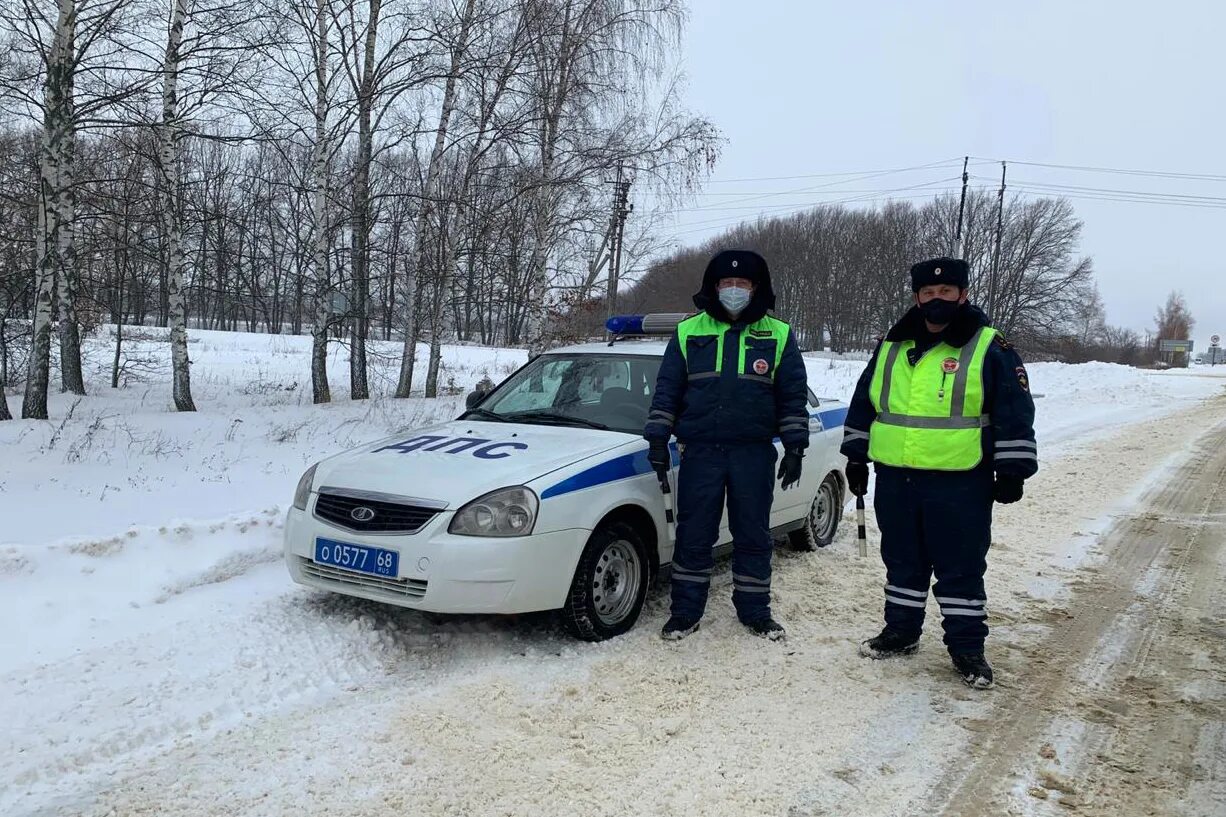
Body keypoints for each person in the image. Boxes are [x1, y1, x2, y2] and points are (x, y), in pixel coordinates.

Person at [840, 257, 1037, 689]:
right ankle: (902, 631)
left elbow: (1014, 409)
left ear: (963, 295)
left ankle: (967, 648)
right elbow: (865, 403)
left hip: (960, 479)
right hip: (897, 477)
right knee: (903, 561)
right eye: (928, 294)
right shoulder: (891, 345)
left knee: (960, 566)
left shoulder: (989, 345)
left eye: (946, 292)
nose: (936, 300)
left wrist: (1013, 469)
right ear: (916, 297)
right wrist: (856, 456)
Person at [644, 249, 809, 642]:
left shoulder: (778, 333)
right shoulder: (688, 331)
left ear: (756, 288)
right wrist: (657, 437)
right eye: (726, 283)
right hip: (700, 451)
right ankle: (685, 612)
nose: (733, 290)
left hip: (752, 453)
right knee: (694, 534)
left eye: (742, 284)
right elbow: (667, 390)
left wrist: (796, 446)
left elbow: (791, 394)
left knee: (753, 534)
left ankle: (755, 611)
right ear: (713, 287)